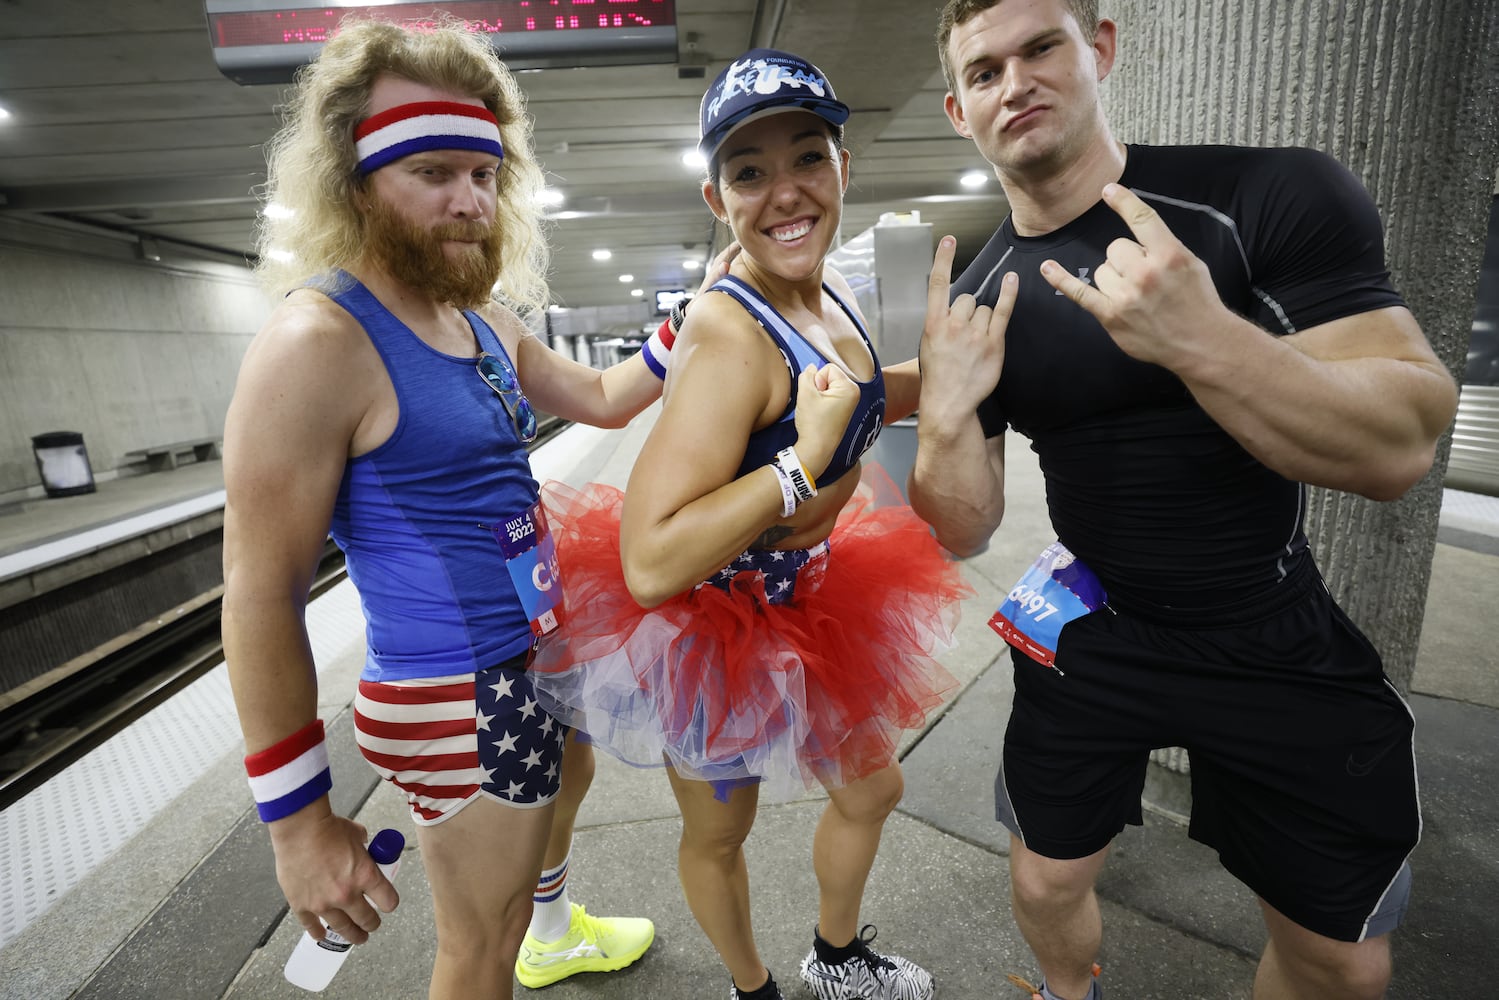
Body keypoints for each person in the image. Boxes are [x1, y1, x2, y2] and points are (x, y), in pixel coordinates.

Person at [910, 2, 1461, 999]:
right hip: (1090, 621)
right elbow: (963, 527)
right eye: (983, 72)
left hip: (1267, 627)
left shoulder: (1258, 195)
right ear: (958, 110)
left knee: (1338, 956)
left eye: (1041, 48)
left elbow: (1401, 445)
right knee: (1040, 878)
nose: (1014, 82)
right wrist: (945, 417)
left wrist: (1200, 338)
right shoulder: (981, 293)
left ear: (1100, 50)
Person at [221, 18, 736, 999]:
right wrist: (297, 825)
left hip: (532, 645)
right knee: (476, 942)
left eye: (486, 173)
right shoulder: (316, 341)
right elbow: (257, 596)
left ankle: (552, 928)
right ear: (354, 177)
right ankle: (528, 934)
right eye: (433, 171)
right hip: (458, 694)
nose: (470, 201)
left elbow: (601, 398)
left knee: (560, 798)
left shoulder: (478, 319)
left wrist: (701, 313)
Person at [525, 48, 970, 1000]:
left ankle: (837, 957)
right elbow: (648, 563)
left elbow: (856, 391)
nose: (783, 193)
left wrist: (962, 377)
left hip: (815, 599)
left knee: (871, 789)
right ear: (715, 195)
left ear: (844, 165)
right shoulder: (730, 333)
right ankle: (752, 988)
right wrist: (800, 465)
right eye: (749, 172)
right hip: (712, 628)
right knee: (720, 832)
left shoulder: (825, 286)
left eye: (806, 157)